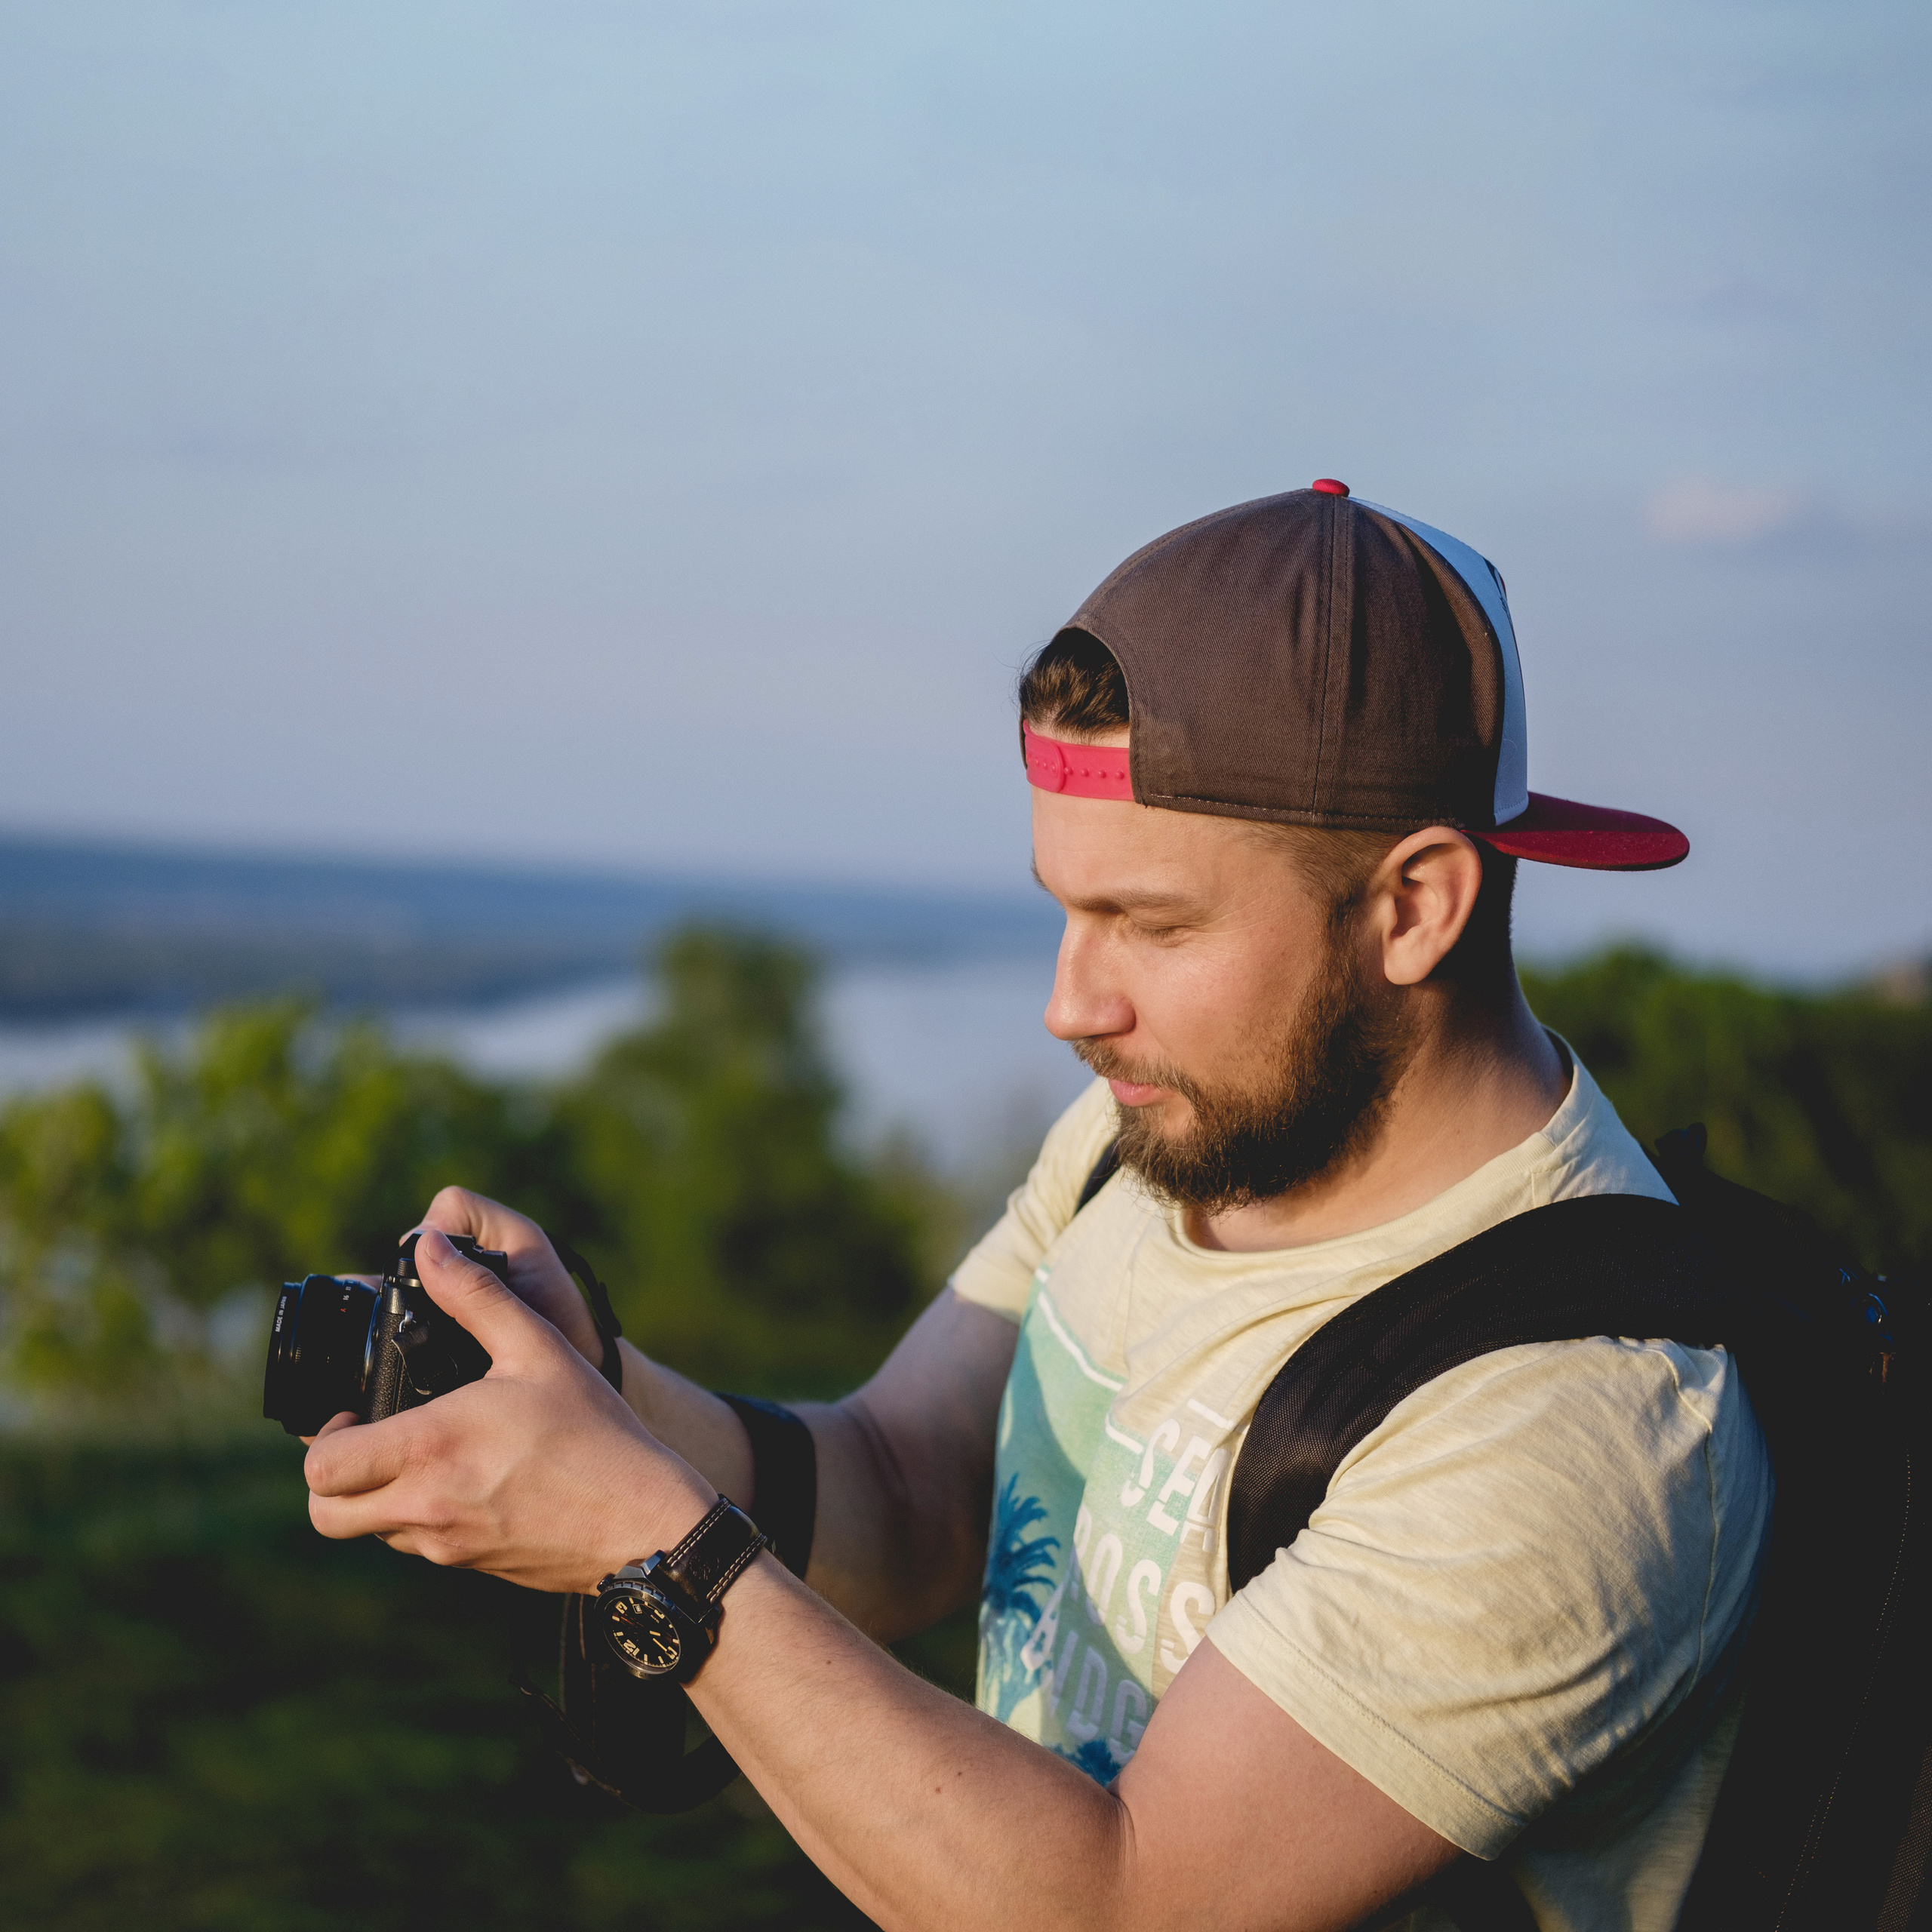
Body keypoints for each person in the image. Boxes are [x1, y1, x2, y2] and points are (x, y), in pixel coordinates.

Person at [303, 482, 1770, 1932]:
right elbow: (908, 1485)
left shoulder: (1574, 1418)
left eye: (1151, 922)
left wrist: (650, 1544)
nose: (1070, 1004)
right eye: (1064, 908)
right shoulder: (1162, 1127)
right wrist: (595, 1393)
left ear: (1412, 908)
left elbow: (1118, 1904)